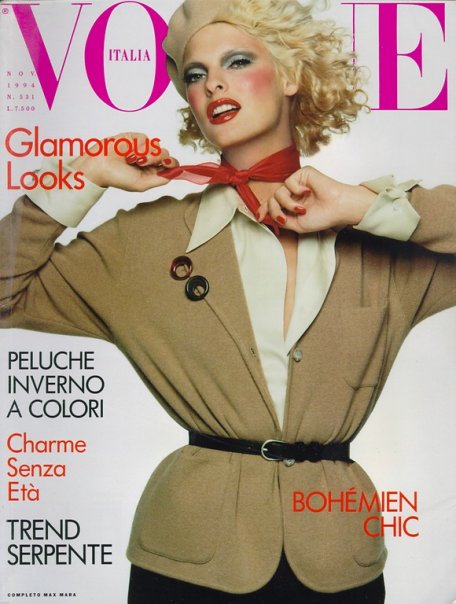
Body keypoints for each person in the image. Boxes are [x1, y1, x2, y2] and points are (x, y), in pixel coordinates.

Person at [1, 0, 455, 602]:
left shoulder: (377, 231)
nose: (213, 83)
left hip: (339, 555)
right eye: (196, 74)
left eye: (237, 61)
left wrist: (368, 207)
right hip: (189, 559)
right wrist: (82, 176)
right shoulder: (145, 242)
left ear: (290, 75)